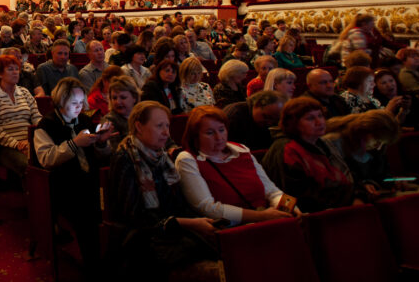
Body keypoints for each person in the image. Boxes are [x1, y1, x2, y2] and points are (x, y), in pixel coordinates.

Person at [108, 101, 219, 278]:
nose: (166, 133)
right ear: (139, 126)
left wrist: (198, 221)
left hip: (172, 231)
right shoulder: (125, 159)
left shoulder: (162, 157)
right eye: (159, 126)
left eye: (167, 126)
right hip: (145, 242)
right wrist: (187, 223)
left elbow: (176, 204)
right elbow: (135, 218)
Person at [33, 78, 115, 271]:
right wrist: (74, 144)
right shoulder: (46, 125)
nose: (79, 107)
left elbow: (99, 157)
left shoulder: (84, 121)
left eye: (81, 102)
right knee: (88, 216)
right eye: (74, 103)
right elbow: (46, 159)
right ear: (61, 101)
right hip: (64, 186)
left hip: (90, 181)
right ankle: (94, 267)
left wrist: (101, 143)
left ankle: (114, 259)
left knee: (116, 205)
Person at [175, 106, 293, 226]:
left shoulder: (241, 150)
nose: (219, 137)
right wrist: (261, 216)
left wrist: (290, 209)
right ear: (195, 136)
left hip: (267, 218)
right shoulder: (188, 159)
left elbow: (272, 191)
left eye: (222, 130)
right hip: (234, 228)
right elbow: (208, 208)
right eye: (210, 133)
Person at [262, 97, 354, 212]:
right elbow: (297, 197)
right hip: (309, 213)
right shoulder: (286, 149)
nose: (319, 122)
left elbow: (346, 176)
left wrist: (359, 192)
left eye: (320, 116)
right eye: (310, 118)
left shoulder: (322, 143)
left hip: (335, 205)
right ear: (293, 123)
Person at [0, 55, 43, 177]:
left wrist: (33, 139)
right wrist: (16, 144)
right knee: (28, 165)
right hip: (6, 146)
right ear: (0, 74)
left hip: (30, 142)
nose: (15, 72)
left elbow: (37, 117)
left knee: (51, 159)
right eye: (10, 69)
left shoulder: (24, 92)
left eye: (17, 69)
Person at [324, 110, 401, 202]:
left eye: (383, 143)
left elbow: (381, 176)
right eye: (377, 140)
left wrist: (392, 183)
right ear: (364, 130)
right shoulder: (334, 142)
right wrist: (360, 187)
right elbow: (337, 182)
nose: (378, 147)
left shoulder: (374, 148)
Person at [102, 76, 140, 150]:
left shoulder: (143, 115)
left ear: (134, 98)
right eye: (114, 98)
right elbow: (115, 151)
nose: (118, 102)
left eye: (123, 97)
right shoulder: (109, 121)